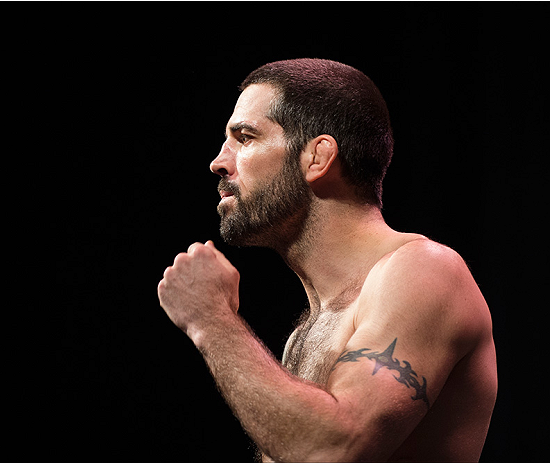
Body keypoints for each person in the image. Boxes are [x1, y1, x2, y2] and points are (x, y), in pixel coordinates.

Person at [157, 58, 497, 462]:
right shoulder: (309, 331)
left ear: (318, 157)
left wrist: (210, 319)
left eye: (245, 137)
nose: (219, 162)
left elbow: (333, 450)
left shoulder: (424, 271)